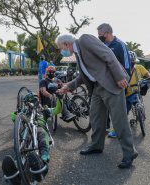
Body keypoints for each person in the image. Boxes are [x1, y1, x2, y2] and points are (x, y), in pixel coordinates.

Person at [56, 33, 138, 168]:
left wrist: (119, 77)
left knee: (119, 120)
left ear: (66, 44)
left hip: (111, 84)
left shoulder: (84, 40)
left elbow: (108, 54)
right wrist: (67, 87)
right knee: (95, 118)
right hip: (97, 88)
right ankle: (96, 146)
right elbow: (84, 76)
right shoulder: (78, 53)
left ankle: (130, 153)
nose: (61, 51)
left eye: (60, 48)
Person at [2, 92, 63, 184]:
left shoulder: (43, 110)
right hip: (27, 131)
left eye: (34, 99)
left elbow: (57, 110)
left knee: (42, 138)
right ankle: (15, 168)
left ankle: (43, 161)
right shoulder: (24, 113)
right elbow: (14, 118)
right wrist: (15, 113)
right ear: (26, 104)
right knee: (20, 143)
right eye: (30, 101)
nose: (33, 102)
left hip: (40, 127)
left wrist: (59, 98)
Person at [97, 23, 131, 133]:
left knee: (117, 109)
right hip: (103, 82)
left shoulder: (120, 45)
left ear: (107, 33)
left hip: (118, 82)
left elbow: (126, 65)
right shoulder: (101, 45)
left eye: (100, 34)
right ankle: (105, 126)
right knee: (103, 107)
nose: (99, 36)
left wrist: (124, 80)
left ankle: (118, 130)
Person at [109, 51, 150, 136]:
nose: (133, 61)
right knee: (122, 112)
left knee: (139, 103)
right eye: (131, 60)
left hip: (136, 91)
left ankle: (141, 114)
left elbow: (147, 74)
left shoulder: (139, 67)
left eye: (134, 60)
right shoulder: (122, 68)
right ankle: (116, 129)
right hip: (126, 93)